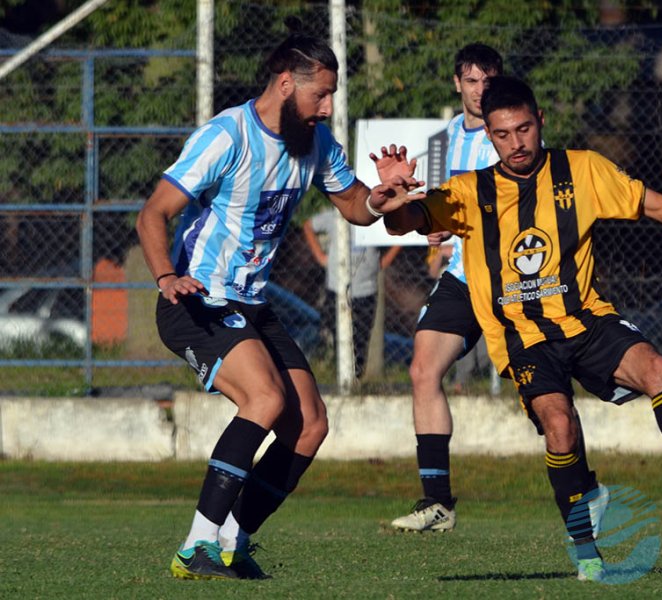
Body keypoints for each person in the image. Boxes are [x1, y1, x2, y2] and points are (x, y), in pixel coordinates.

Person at [376, 75, 662, 581]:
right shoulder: (470, 191)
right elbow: (409, 223)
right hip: (524, 340)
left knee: (658, 368)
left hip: (587, 320)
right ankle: (586, 551)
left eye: (524, 129)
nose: (516, 143)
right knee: (560, 426)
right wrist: (393, 199)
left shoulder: (584, 169)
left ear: (540, 122)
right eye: (503, 134)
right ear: (488, 135)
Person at [135, 21, 421, 581]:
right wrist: (167, 276)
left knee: (310, 424)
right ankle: (197, 545)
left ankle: (233, 542)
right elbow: (153, 212)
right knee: (264, 399)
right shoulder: (227, 136)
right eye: (323, 94)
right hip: (198, 301)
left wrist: (384, 198)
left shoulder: (314, 143)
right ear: (287, 83)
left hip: (251, 306)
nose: (329, 106)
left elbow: (355, 207)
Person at [388, 43, 503, 533]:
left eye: (487, 81)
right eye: (471, 81)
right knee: (422, 369)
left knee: (547, 395)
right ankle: (437, 501)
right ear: (457, 84)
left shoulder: (509, 136)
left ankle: (585, 491)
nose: (480, 90)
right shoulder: (441, 144)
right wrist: (429, 224)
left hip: (512, 276)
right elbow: (434, 210)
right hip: (462, 277)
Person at [302, 210, 401, 378]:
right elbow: (308, 225)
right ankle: (336, 372)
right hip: (337, 288)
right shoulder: (335, 216)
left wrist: (386, 260)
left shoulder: (374, 217)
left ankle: (356, 377)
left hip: (365, 289)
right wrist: (320, 256)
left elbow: (400, 233)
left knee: (361, 339)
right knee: (334, 334)